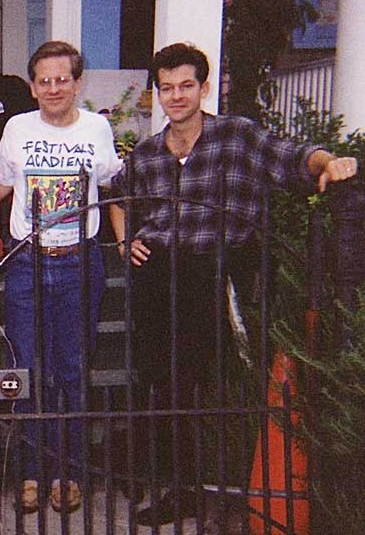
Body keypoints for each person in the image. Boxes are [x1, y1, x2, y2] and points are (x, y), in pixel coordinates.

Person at [109, 42, 358, 526]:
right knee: (164, 385)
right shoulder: (148, 153)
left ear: (203, 88)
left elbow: (293, 156)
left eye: (186, 86)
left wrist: (328, 161)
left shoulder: (237, 136)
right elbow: (117, 195)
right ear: (157, 93)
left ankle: (233, 490)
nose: (176, 96)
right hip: (159, 276)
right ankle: (179, 490)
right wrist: (125, 242)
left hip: (219, 272)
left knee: (218, 386)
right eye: (167, 88)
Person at [0, 40, 123, 515]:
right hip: (27, 261)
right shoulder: (17, 128)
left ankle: (67, 470)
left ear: (77, 82)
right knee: (26, 370)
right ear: (32, 86)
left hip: (79, 262)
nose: (53, 88)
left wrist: (125, 239)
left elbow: (113, 189)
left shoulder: (97, 128)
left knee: (71, 369)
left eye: (62, 79)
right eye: (43, 81)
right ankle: (31, 470)